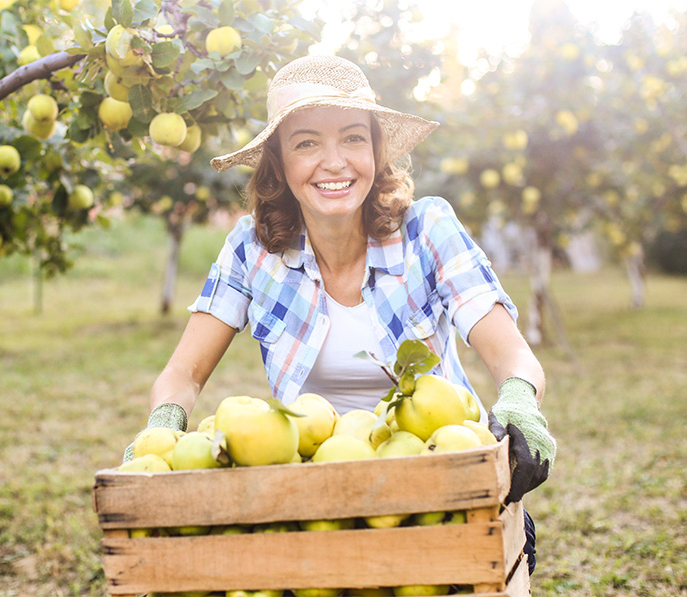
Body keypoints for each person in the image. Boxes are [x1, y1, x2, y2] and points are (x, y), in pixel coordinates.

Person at [125, 54, 555, 573]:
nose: (335, 162)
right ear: (279, 164)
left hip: (438, 486)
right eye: (307, 142)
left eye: (353, 138)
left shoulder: (428, 231)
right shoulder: (251, 249)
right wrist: (164, 425)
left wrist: (518, 399)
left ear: (375, 151)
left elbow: (513, 356)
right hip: (314, 498)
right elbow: (183, 374)